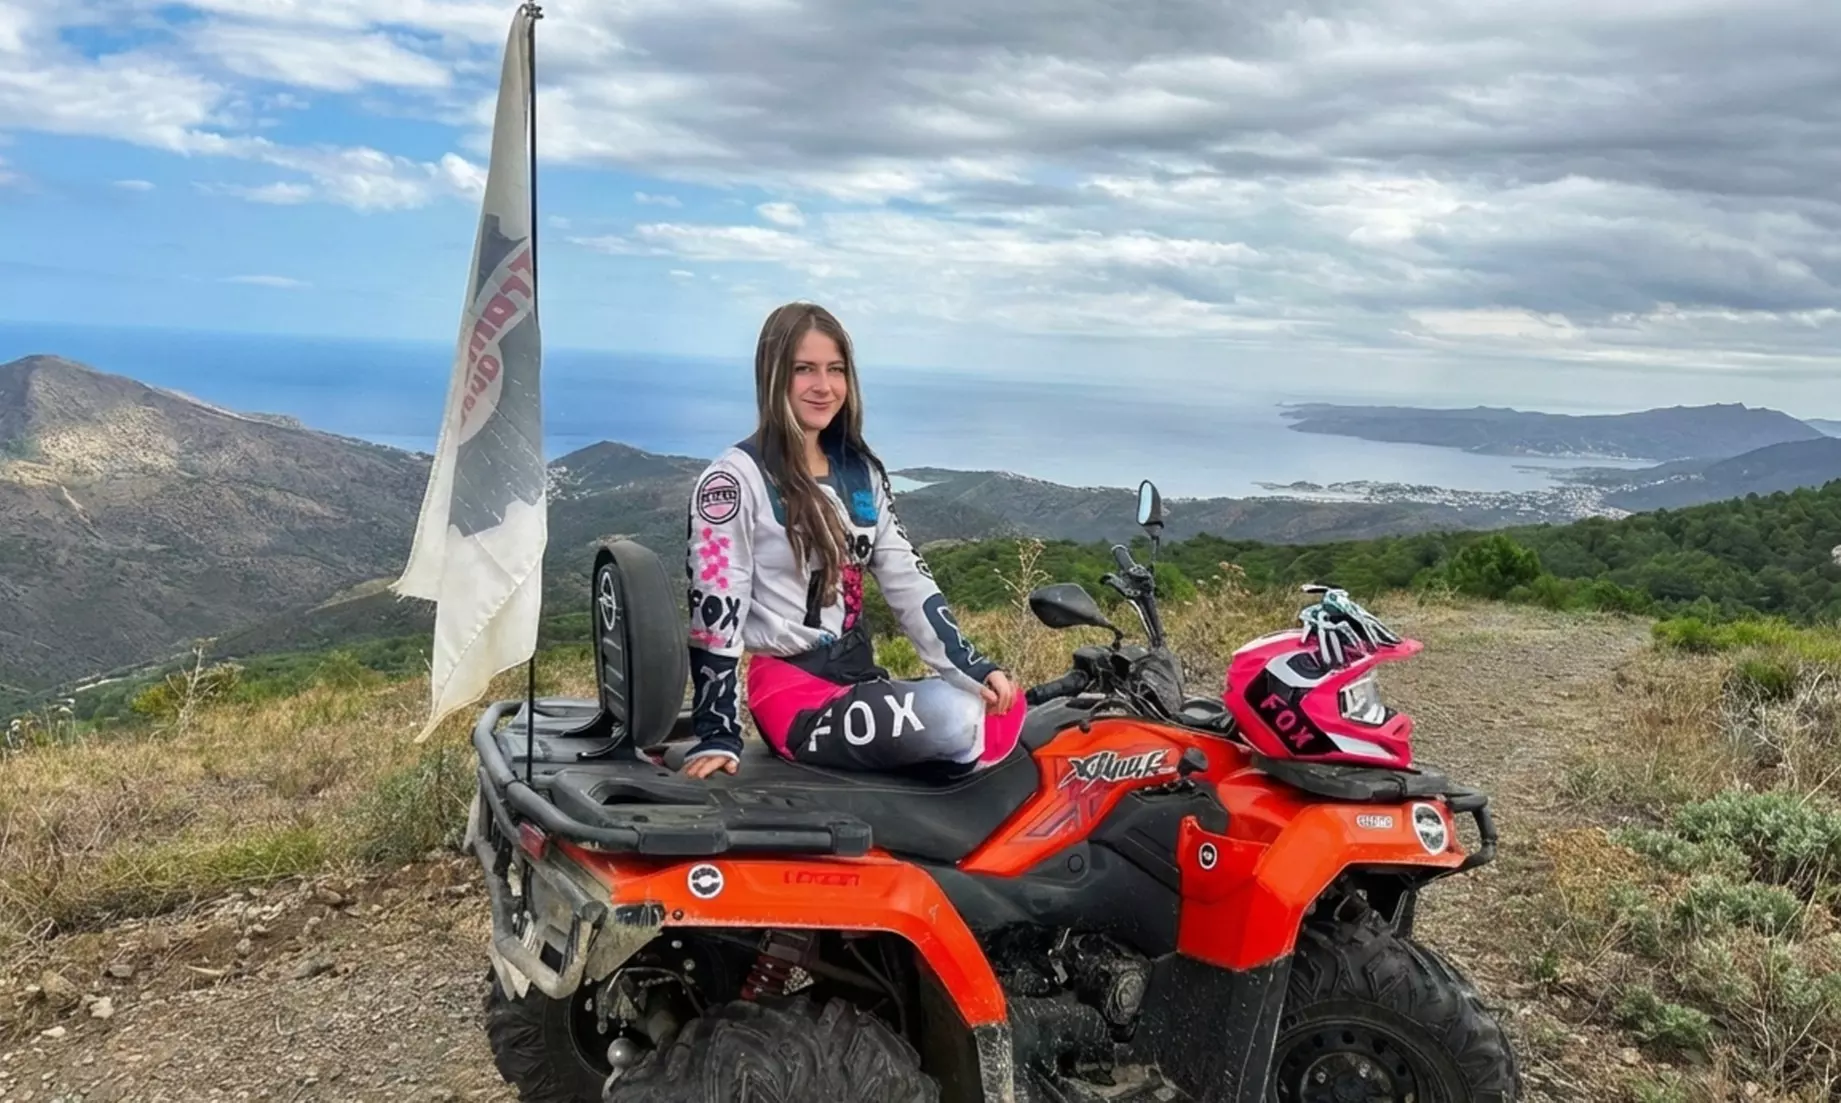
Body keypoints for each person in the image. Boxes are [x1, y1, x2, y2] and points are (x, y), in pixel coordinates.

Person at [679, 301, 1025, 780]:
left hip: (858, 678)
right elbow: (717, 609)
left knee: (999, 704)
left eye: (835, 370)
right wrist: (718, 731)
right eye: (804, 369)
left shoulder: (860, 473)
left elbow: (908, 578)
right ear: (774, 376)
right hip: (792, 695)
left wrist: (972, 667)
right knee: (956, 717)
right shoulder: (735, 481)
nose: (824, 387)